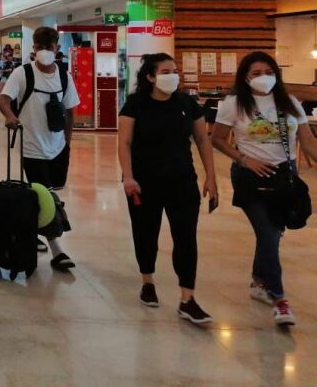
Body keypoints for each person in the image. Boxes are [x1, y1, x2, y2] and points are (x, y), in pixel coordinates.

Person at [211, 51, 317, 327]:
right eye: (256, 73)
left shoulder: (290, 102)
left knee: (272, 233)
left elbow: (308, 143)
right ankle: (279, 299)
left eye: (268, 72)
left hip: (285, 177)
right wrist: (245, 159)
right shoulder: (234, 104)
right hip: (250, 178)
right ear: (245, 77)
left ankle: (259, 281)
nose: (263, 78)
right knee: (268, 233)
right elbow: (218, 139)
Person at [118, 53, 217, 325]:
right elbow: (124, 142)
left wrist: (211, 176)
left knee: (186, 237)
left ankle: (188, 298)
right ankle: (147, 280)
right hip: (144, 182)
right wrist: (128, 176)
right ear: (150, 76)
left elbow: (201, 140)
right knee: (145, 232)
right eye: (165, 71)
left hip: (182, 181)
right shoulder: (135, 104)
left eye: (174, 70)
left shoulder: (186, 103)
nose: (172, 75)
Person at [0, 26, 79, 271]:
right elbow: (3, 99)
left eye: (49, 48)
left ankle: (30, 231)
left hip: (57, 147)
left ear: (57, 49)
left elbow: (71, 109)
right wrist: (11, 116)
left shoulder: (64, 75)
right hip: (32, 146)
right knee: (45, 195)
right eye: (40, 47)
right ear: (34, 49)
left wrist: (68, 141)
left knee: (45, 194)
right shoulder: (22, 73)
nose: (45, 52)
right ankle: (57, 249)